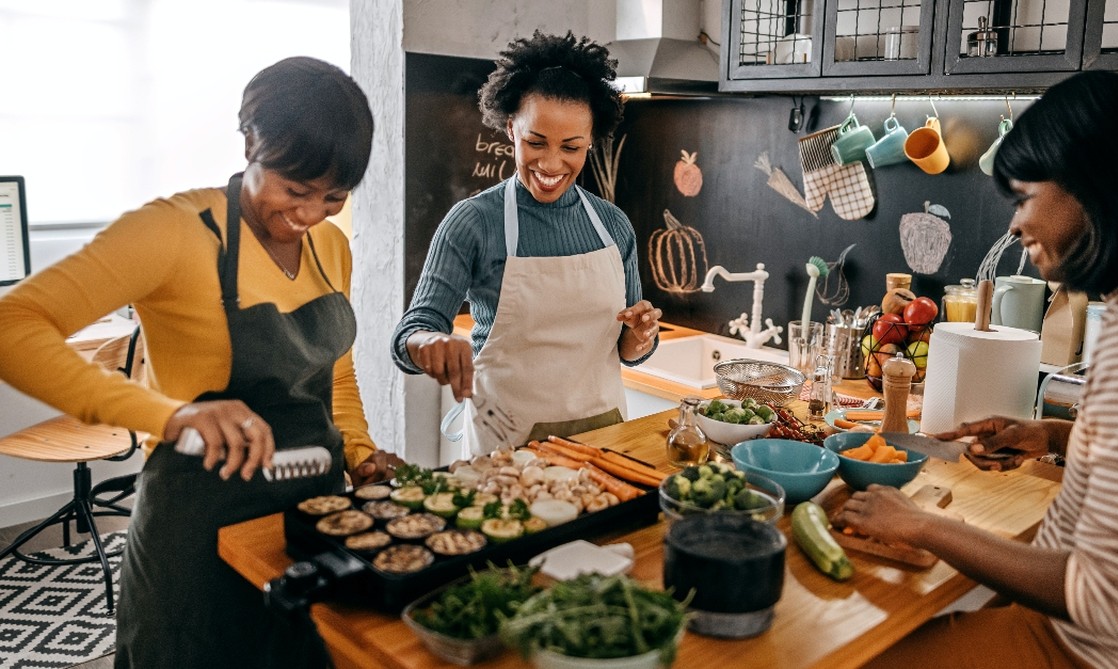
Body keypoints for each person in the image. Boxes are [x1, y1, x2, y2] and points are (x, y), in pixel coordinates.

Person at [842, 70, 1118, 669]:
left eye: (1024, 197)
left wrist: (920, 527)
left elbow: (1115, 600)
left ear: (1096, 187)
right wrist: (1057, 436)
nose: (1016, 224)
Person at [0, 56, 403, 667]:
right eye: (295, 190)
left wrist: (359, 451)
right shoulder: (174, 231)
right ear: (250, 144)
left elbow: (334, 376)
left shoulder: (331, 245)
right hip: (198, 530)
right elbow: (14, 325)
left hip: (310, 522)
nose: (310, 214)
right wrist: (168, 415)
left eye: (334, 197)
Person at [391, 30, 661, 454]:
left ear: (590, 141)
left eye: (571, 147)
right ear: (511, 128)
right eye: (536, 142)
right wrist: (430, 343)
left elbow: (628, 351)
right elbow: (409, 334)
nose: (552, 164)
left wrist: (641, 336)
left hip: (603, 445)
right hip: (506, 450)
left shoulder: (612, 225)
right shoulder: (473, 222)